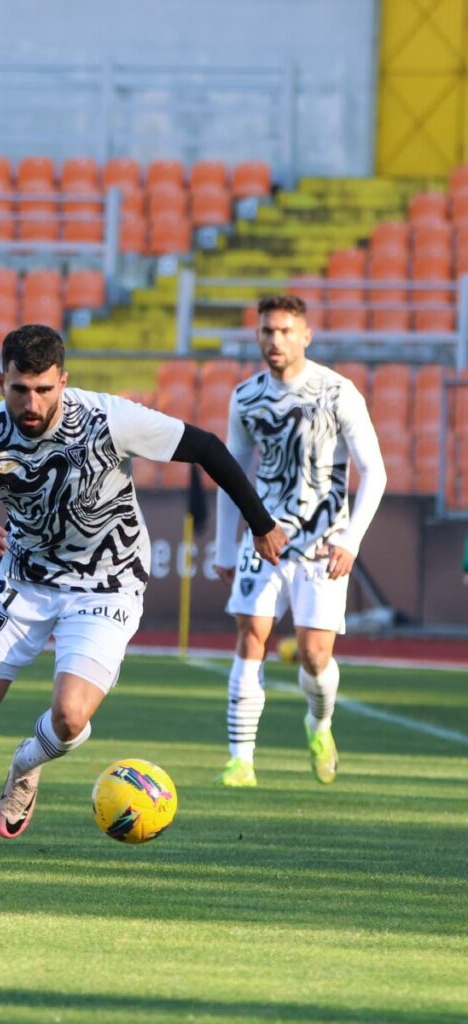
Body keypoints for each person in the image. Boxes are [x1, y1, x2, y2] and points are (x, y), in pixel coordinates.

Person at [0, 324, 288, 857]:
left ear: (63, 381)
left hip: (109, 579)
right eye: (20, 389)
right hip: (22, 579)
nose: (32, 402)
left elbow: (208, 448)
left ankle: (27, 764)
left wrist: (260, 523)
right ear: (1, 379)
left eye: (44, 389)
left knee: (71, 716)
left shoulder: (107, 418)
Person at [212, 294, 387, 787]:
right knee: (251, 639)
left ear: (305, 336)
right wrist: (228, 546)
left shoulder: (338, 392)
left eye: (286, 331)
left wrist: (351, 541)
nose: (275, 340)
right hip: (265, 540)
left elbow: (374, 472)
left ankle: (320, 725)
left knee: (314, 657)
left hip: (324, 544)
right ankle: (240, 760)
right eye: (268, 331)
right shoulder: (245, 397)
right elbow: (233, 475)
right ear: (258, 335)